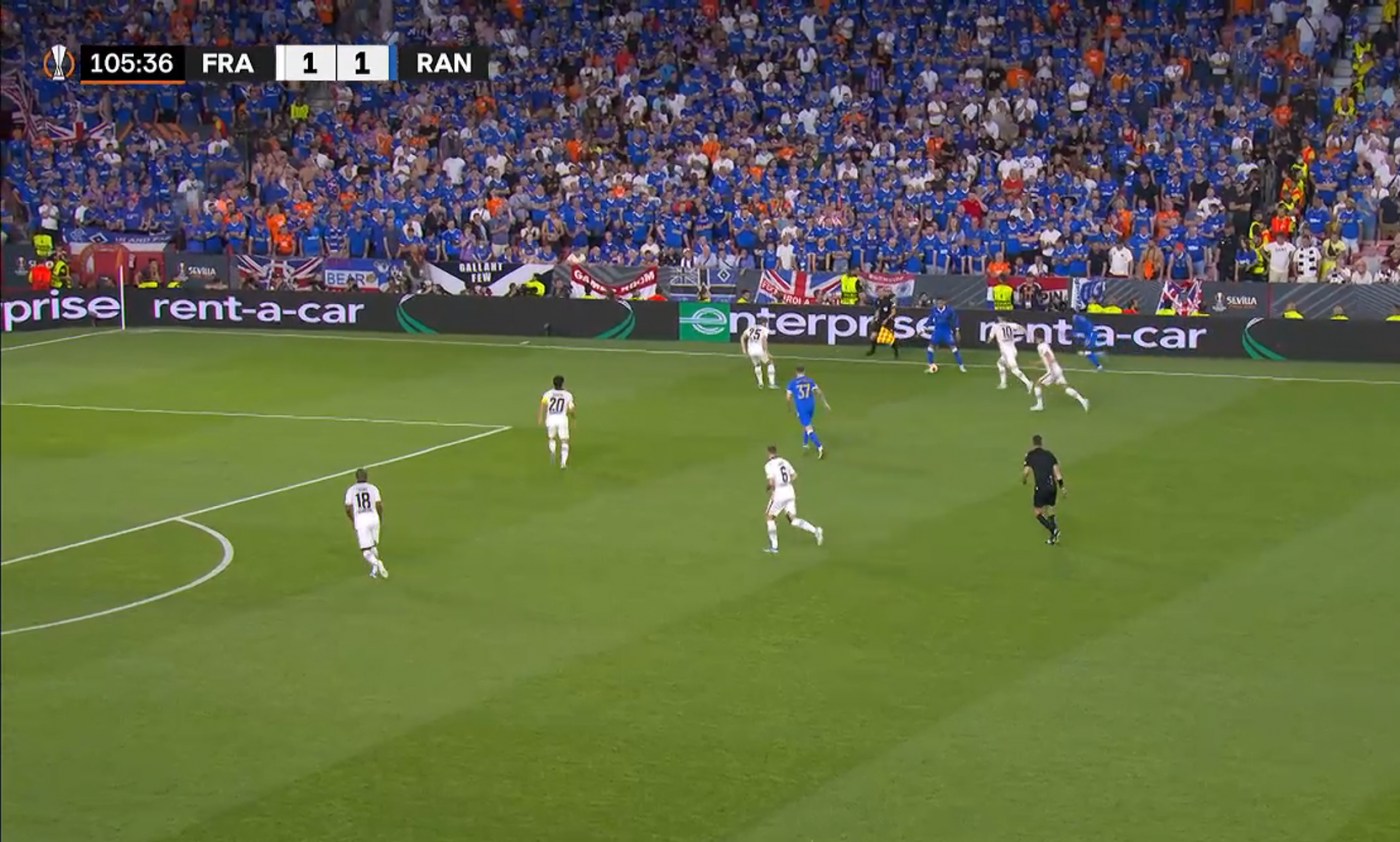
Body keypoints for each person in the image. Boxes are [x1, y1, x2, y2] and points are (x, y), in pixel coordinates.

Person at [762, 445, 824, 554]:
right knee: (793, 520)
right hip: (790, 491)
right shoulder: (785, 462)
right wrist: (785, 482)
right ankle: (816, 530)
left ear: (768, 453)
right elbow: (794, 475)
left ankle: (774, 546)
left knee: (769, 517)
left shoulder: (769, 465)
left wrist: (768, 488)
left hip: (779, 493)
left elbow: (771, 482)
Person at [343, 468, 388, 579]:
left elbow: (347, 508)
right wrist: (379, 518)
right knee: (373, 545)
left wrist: (353, 520)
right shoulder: (373, 488)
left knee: (365, 550)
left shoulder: (351, 490)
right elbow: (379, 505)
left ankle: (377, 563)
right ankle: (374, 570)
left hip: (361, 520)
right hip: (374, 518)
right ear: (367, 477)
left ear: (356, 478)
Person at [1021, 435, 1064, 545]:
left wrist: (1024, 480)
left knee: (1037, 512)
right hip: (1052, 486)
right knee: (1050, 510)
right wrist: (1062, 487)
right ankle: (1053, 539)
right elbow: (1057, 474)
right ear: (1041, 443)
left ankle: (1053, 530)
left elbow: (1026, 472)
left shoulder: (1031, 455)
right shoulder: (1049, 455)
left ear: (1033, 443)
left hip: (1041, 487)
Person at [1031, 342, 1091, 413]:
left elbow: (1048, 356)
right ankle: (1083, 401)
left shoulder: (1041, 346)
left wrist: (1050, 368)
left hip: (1052, 372)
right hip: (1058, 369)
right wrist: (1037, 362)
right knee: (1065, 387)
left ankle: (1040, 405)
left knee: (1037, 384)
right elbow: (1047, 358)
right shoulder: (1046, 345)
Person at [785, 366, 831, 458]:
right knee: (805, 424)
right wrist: (825, 403)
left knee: (808, 427)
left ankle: (819, 447)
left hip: (802, 407)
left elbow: (788, 398)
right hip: (811, 406)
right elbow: (819, 392)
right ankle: (805, 444)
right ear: (804, 371)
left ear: (796, 372)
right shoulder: (810, 381)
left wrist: (789, 407)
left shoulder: (792, 383)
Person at [537, 375, 576, 469]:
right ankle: (563, 463)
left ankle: (553, 451)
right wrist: (573, 417)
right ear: (563, 383)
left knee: (551, 438)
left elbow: (542, 404)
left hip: (551, 418)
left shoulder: (548, 394)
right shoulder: (568, 395)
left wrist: (540, 417)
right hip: (562, 419)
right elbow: (571, 409)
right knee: (564, 440)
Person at [990, 316, 1035, 392]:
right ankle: (1003, 383)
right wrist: (1028, 335)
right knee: (1000, 363)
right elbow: (1022, 328)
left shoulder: (996, 326)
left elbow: (991, 337)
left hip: (1008, 353)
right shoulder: (1011, 325)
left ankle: (1028, 383)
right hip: (1012, 350)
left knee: (1014, 370)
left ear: (1000, 319)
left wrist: (988, 341)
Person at [922, 296, 966, 373]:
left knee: (953, 348)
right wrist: (924, 328)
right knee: (930, 347)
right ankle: (930, 365)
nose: (939, 304)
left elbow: (955, 319)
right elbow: (930, 319)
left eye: (940, 303)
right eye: (938, 303)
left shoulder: (949, 310)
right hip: (937, 331)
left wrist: (957, 330)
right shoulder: (934, 310)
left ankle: (961, 366)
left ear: (944, 303)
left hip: (946, 332)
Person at [741, 318, 777, 389]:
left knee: (757, 365)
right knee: (770, 363)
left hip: (751, 351)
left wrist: (744, 350)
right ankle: (771, 383)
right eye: (765, 323)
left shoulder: (750, 328)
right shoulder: (764, 330)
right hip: (760, 350)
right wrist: (766, 352)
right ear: (763, 323)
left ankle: (760, 383)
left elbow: (742, 337)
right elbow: (764, 341)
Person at [866, 289, 899, 357]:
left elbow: (893, 312)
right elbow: (877, 311)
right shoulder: (877, 301)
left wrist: (886, 319)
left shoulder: (890, 301)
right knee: (873, 336)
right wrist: (874, 319)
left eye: (881, 292)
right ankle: (872, 350)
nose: (879, 293)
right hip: (879, 321)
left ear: (884, 293)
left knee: (889, 339)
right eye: (878, 292)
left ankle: (896, 351)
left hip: (888, 321)